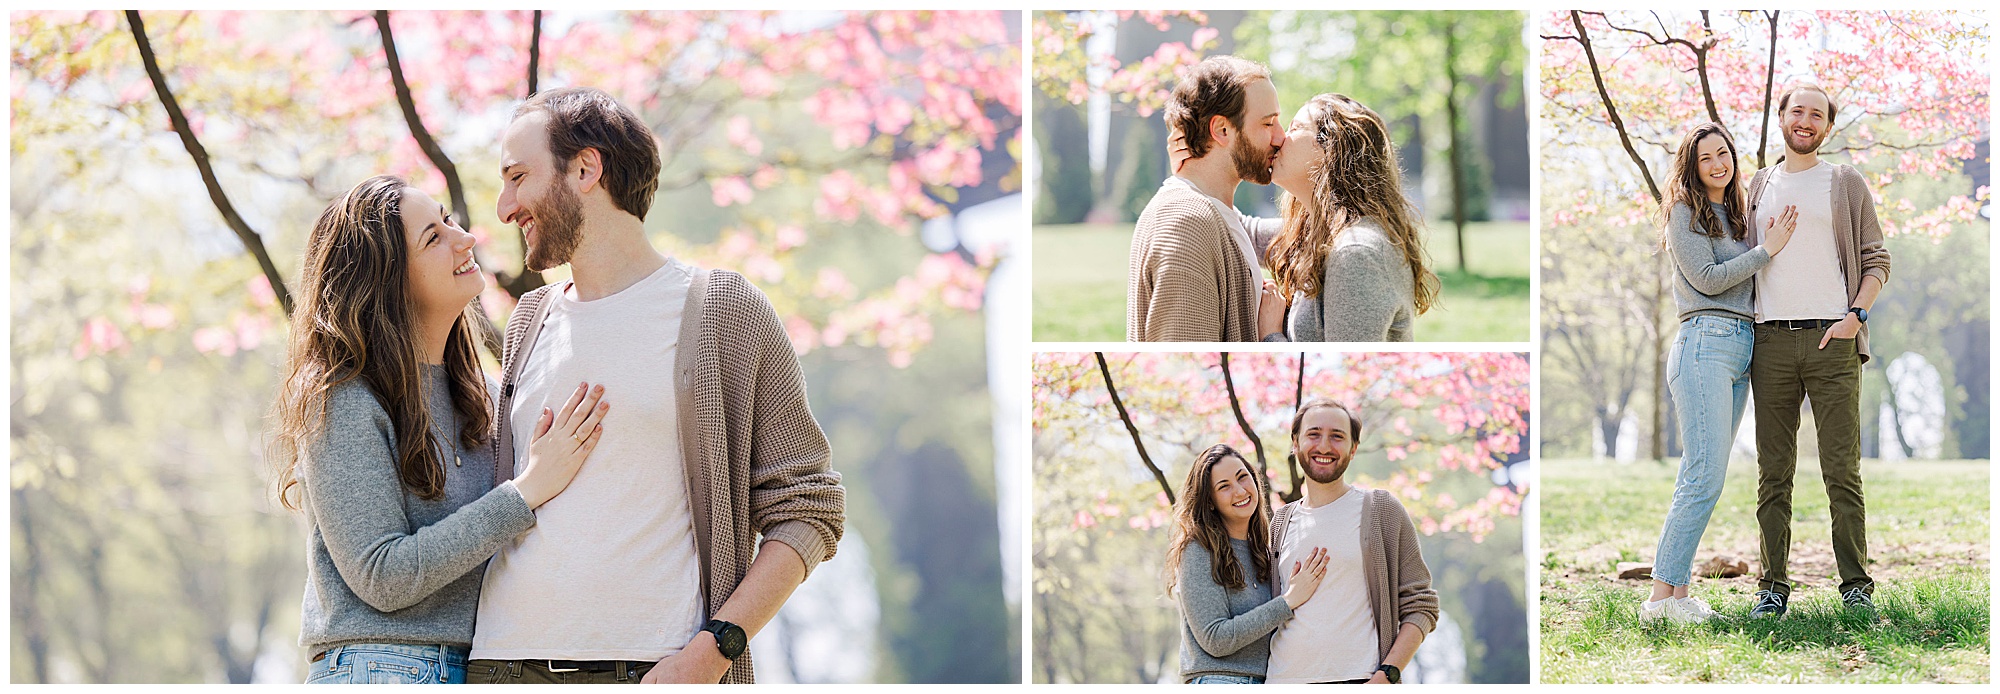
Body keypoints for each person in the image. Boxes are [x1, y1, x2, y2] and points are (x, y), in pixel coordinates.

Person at [466, 87, 846, 684]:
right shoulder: (528, 320)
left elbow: (809, 509)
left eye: (518, 177)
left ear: (586, 169)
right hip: (501, 666)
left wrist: (711, 652)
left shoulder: (722, 309)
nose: (504, 206)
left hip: (653, 671)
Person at [272, 175, 607, 684]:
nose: (465, 238)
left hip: (479, 665)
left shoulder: (483, 397)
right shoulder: (344, 400)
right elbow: (382, 574)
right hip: (380, 666)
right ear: (385, 280)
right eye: (433, 237)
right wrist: (528, 490)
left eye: (448, 220)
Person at [1743, 84, 1891, 619]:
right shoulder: (1758, 184)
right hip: (1771, 343)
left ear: (1828, 126)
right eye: (1796, 111)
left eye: (1817, 114)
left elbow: (1876, 258)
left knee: (1841, 471)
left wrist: (1856, 316)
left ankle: (1855, 587)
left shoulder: (1844, 182)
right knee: (1773, 473)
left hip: (1833, 340)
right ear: (1781, 118)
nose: (1805, 120)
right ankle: (1772, 588)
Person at [1643, 123, 1796, 623]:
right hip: (1704, 342)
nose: (1718, 163)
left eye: (1724, 153)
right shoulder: (1683, 213)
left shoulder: (1736, 215)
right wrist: (1767, 250)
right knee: (1703, 475)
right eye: (1706, 157)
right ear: (1692, 165)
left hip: (1741, 345)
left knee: (1706, 475)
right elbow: (1706, 281)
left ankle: (1674, 596)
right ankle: (1660, 601)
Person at [1167, 93, 1438, 342]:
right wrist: (1195, 169)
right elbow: (1235, 228)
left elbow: (1339, 373)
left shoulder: (1357, 252)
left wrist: (1270, 334)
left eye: (1295, 128)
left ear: (1330, 149)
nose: (1280, 137)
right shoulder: (1315, 233)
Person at [1265, 399, 1436, 684]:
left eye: (1337, 436)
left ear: (1353, 448)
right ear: (1295, 443)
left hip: (1359, 679)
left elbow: (1421, 606)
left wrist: (1387, 676)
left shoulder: (1382, 510)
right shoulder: (1280, 522)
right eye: (1313, 434)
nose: (1323, 446)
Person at [1126, 55, 1287, 342]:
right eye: (1268, 123)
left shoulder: (1213, 213)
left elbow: (1290, 235)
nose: (1280, 137)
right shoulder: (1187, 222)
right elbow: (1182, 362)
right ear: (1222, 130)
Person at [1168, 444, 1330, 684]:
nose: (1240, 491)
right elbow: (1215, 639)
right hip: (1218, 680)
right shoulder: (1199, 549)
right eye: (1224, 487)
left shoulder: (1265, 550)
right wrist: (1289, 600)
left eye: (1242, 477)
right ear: (1210, 501)